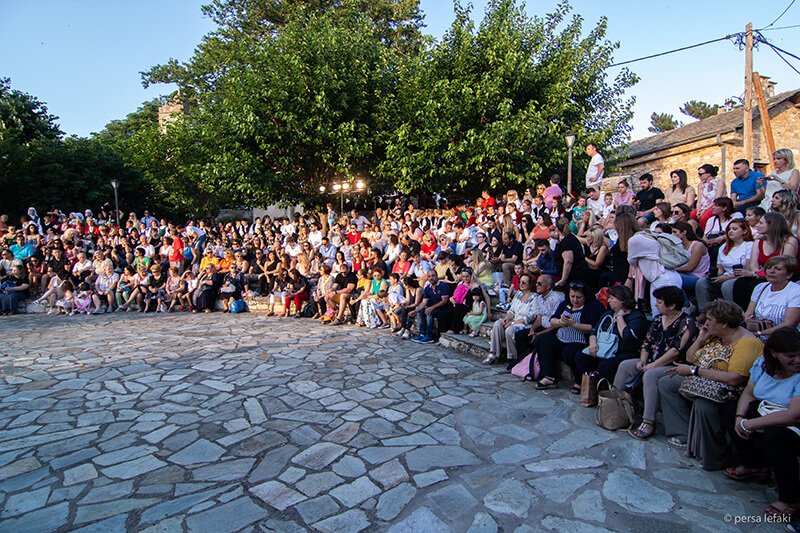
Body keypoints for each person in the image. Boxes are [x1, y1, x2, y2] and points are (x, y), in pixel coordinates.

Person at [658, 300, 762, 469]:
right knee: (666, 383)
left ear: (725, 324)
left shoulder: (746, 343)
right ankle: (682, 433)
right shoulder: (714, 335)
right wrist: (700, 339)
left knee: (704, 405)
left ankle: (714, 457)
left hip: (728, 390)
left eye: (710, 320)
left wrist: (694, 371)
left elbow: (735, 378)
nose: (706, 323)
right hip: (704, 381)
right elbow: (691, 358)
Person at [726, 327, 800, 520]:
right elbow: (749, 392)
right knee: (731, 409)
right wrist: (740, 418)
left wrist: (749, 424)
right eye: (790, 355)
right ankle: (754, 465)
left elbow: (793, 415)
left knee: (776, 437)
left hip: (791, 421)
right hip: (766, 409)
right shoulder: (763, 365)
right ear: (774, 354)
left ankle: (790, 499)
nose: (797, 360)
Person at [616, 286, 696, 440]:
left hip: (673, 365)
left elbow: (675, 351)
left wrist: (653, 365)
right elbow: (647, 342)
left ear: (671, 305)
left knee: (650, 375)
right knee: (625, 365)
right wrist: (643, 360)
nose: (656, 305)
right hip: (652, 360)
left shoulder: (687, 322)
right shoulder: (658, 319)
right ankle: (617, 408)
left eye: (659, 302)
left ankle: (648, 422)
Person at [532, 282, 604, 391]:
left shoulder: (594, 306)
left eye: (579, 297)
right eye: (572, 297)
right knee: (543, 340)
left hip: (580, 340)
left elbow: (593, 327)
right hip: (561, 336)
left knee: (570, 352)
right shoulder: (565, 304)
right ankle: (548, 376)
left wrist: (574, 324)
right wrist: (560, 322)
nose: (575, 300)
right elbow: (552, 320)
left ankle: (579, 381)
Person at [576, 285, 648, 386]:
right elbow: (594, 331)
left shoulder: (636, 317)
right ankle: (589, 387)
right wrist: (593, 344)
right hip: (603, 348)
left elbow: (628, 337)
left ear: (622, 300)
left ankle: (604, 391)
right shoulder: (608, 314)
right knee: (581, 357)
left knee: (606, 365)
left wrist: (619, 318)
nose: (608, 301)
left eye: (612, 298)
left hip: (623, 353)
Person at [618, 212, 682, 316]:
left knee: (661, 316)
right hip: (669, 276)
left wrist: (629, 280)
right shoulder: (646, 234)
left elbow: (632, 262)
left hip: (662, 279)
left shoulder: (634, 240)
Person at [731, 212, 799, 309]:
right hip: (764, 274)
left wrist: (756, 274)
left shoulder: (789, 241)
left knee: (753, 285)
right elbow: (753, 265)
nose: (757, 225)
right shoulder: (758, 241)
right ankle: (742, 315)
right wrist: (757, 274)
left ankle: (756, 314)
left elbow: (784, 266)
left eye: (761, 223)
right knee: (740, 283)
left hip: (785, 275)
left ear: (772, 225)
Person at [695, 220, 753, 315]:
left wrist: (726, 278)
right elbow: (720, 268)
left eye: (734, 229)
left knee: (727, 285)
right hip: (724, 276)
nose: (730, 231)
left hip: (740, 277)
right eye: (729, 229)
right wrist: (714, 275)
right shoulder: (723, 247)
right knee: (702, 282)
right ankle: (704, 313)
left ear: (744, 231)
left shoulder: (749, 245)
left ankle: (732, 313)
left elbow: (747, 269)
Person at [484, 273, 537, 364]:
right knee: (498, 323)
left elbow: (530, 317)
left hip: (525, 324)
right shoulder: (519, 294)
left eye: (524, 282)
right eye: (520, 282)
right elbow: (511, 310)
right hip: (514, 320)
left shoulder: (535, 297)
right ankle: (494, 353)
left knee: (510, 329)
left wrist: (513, 323)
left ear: (530, 284)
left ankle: (512, 357)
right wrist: (508, 318)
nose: (521, 284)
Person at [743, 255, 800, 339]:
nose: (771, 271)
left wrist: (760, 333)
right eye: (768, 268)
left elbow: (789, 324)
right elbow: (748, 314)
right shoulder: (760, 287)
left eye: (778, 269)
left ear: (789, 274)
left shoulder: (796, 291)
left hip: (784, 339)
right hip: (757, 336)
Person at [410, 270, 452, 344]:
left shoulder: (443, 285)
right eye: (429, 276)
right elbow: (423, 302)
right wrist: (415, 310)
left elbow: (444, 301)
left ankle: (429, 336)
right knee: (421, 310)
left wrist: (432, 307)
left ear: (437, 276)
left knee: (429, 312)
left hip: (444, 308)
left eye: (433, 276)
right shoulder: (427, 288)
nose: (431, 278)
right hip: (434, 307)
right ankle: (422, 334)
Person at [672, 221, 710, 294]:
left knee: (671, 278)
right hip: (683, 274)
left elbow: (690, 267)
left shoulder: (697, 245)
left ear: (684, 232)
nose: (672, 235)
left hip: (697, 276)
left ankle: (687, 304)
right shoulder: (678, 246)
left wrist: (672, 269)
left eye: (675, 232)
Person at [553, 218, 588, 290]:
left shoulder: (566, 243)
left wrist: (563, 280)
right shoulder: (571, 237)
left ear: (557, 228)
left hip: (574, 276)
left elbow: (568, 262)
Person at [696, 164, 726, 230]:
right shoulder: (701, 185)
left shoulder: (719, 182)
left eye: (700, 174)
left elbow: (717, 199)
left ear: (708, 174)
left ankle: (706, 234)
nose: (699, 176)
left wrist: (705, 210)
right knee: (692, 215)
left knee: (704, 218)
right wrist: (698, 210)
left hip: (714, 206)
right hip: (703, 207)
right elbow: (699, 200)